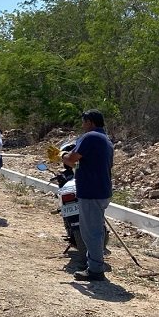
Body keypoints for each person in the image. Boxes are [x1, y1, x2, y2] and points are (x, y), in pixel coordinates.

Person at [61, 109, 114, 282]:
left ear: (90, 122)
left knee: (91, 231)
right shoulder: (105, 139)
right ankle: (93, 263)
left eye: (83, 122)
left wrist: (60, 156)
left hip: (91, 191)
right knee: (94, 229)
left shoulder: (90, 137)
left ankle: (95, 269)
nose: (82, 125)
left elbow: (72, 159)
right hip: (101, 190)